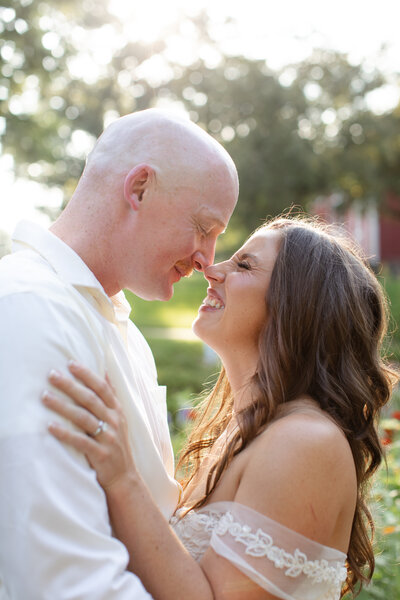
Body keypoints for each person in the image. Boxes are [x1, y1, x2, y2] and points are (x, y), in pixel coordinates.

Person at [43, 216, 399, 600]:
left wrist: (122, 478)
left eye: (244, 265)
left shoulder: (306, 442)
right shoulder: (250, 432)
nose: (212, 270)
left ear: (297, 305)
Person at [0, 108, 239, 599]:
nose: (207, 260)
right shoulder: (30, 311)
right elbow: (65, 580)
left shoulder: (121, 329)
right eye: (203, 227)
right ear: (140, 189)